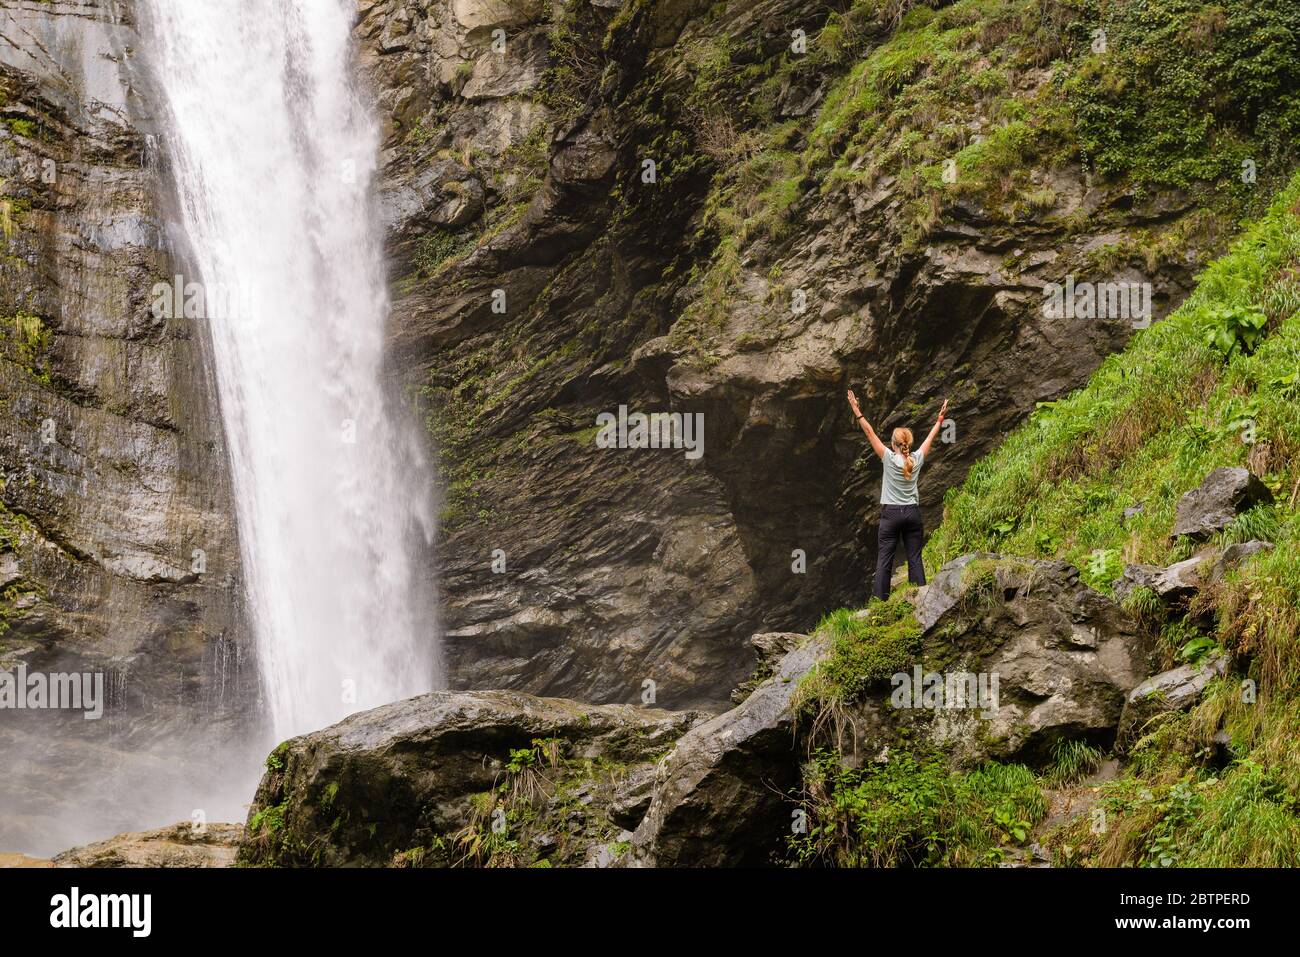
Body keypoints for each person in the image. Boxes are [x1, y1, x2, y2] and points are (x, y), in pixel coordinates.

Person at [846, 390, 948, 600]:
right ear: (908, 444)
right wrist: (940, 419)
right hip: (912, 514)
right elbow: (931, 437)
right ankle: (920, 599)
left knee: (885, 559)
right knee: (914, 558)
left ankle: (881, 602)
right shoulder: (916, 459)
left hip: (891, 515)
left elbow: (869, 432)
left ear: (893, 444)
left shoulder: (888, 458)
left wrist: (856, 409)